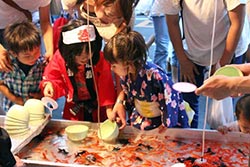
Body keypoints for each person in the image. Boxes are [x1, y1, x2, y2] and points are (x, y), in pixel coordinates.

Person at [157, 0, 250, 128]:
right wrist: (183, 61)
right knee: (187, 104)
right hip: (192, 51)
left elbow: (237, 22)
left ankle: (222, 142)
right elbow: (172, 22)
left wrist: (221, 65)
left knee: (222, 106)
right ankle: (191, 142)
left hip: (229, 50)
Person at [104, 31, 189, 130]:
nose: (111, 68)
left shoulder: (155, 75)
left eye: (114, 65)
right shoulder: (126, 74)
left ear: (128, 63)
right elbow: (127, 93)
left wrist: (165, 125)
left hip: (160, 120)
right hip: (142, 117)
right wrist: (119, 103)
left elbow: (169, 99)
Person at [40, 19, 117, 122]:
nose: (85, 57)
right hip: (74, 108)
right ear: (69, 51)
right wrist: (50, 85)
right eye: (78, 52)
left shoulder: (100, 59)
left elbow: (106, 85)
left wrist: (109, 109)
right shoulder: (60, 58)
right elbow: (53, 76)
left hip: (98, 107)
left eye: (89, 50)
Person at [0, 21, 45, 112]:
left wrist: (41, 95)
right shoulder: (6, 64)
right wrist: (15, 99)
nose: (33, 57)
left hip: (36, 111)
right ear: (13, 53)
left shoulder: (43, 65)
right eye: (27, 56)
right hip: (12, 110)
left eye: (36, 52)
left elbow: (50, 85)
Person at [0, 0, 53, 72]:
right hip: (2, 29)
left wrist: (50, 50)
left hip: (26, 26)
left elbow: (45, 22)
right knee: (6, 65)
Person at [61, 0, 139, 41]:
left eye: (118, 17)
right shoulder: (70, 2)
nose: (111, 20)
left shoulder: (126, 12)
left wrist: (119, 34)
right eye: (109, 15)